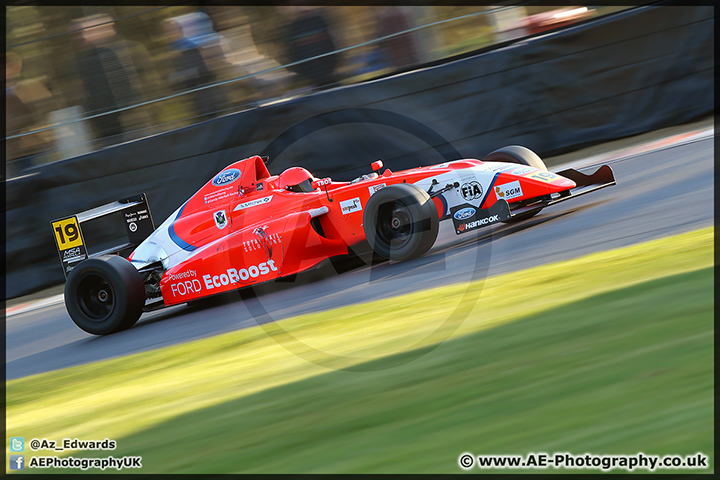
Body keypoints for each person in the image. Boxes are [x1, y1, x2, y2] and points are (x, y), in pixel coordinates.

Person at [281, 7, 340, 90]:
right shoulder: (296, 26)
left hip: (320, 71)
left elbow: (293, 53)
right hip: (321, 71)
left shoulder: (296, 26)